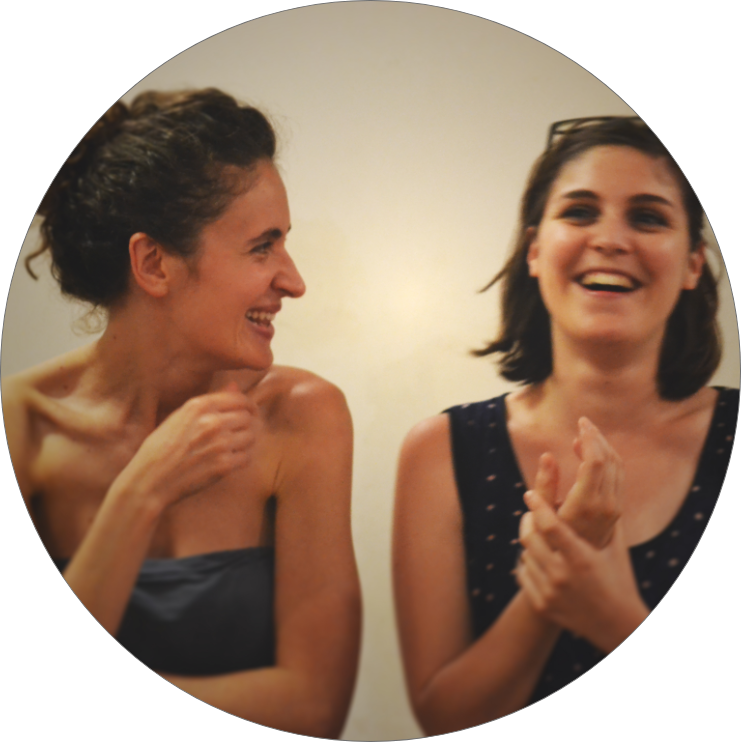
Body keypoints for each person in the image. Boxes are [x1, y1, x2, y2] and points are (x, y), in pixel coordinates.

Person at [3, 89, 361, 737]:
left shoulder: (303, 417)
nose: (293, 281)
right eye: (262, 247)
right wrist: (140, 492)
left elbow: (315, 709)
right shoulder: (21, 425)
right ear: (153, 264)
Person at [392, 117, 737, 734]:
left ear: (693, 264)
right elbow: (443, 719)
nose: (610, 239)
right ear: (534, 250)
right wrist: (548, 596)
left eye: (648, 217)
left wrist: (612, 616)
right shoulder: (439, 452)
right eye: (579, 212)